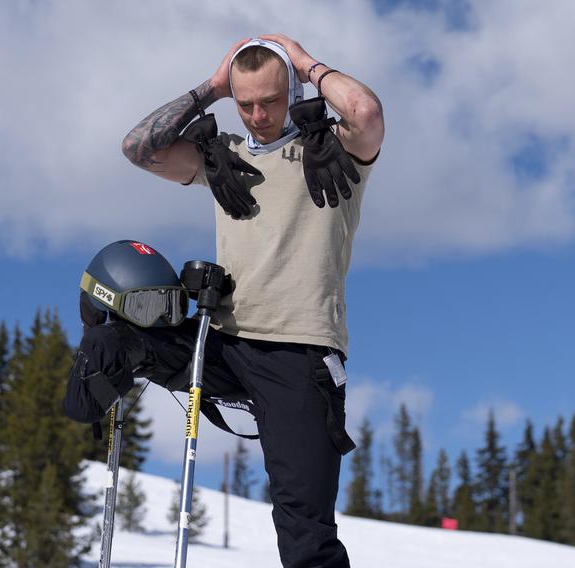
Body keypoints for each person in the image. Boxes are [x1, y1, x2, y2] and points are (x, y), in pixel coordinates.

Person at [66, 34, 383, 568]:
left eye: (272, 100)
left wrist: (303, 60)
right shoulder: (225, 159)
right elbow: (139, 148)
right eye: (246, 103)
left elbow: (366, 111)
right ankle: (85, 409)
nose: (258, 115)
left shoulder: (333, 152)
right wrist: (212, 87)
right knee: (118, 329)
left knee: (303, 528)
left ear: (295, 90)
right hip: (221, 342)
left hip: (299, 356)